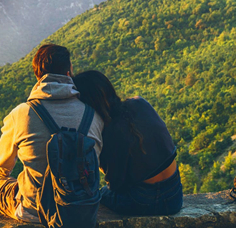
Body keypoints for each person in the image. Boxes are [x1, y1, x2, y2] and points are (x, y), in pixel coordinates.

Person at [0, 44, 104, 224]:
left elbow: (2, 167)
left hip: (34, 210)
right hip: (82, 209)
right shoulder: (93, 114)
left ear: (38, 76)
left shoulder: (22, 113)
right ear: (69, 73)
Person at [72, 70, 182, 216]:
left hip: (146, 200)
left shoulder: (110, 131)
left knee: (98, 194)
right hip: (175, 193)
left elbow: (116, 185)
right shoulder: (139, 103)